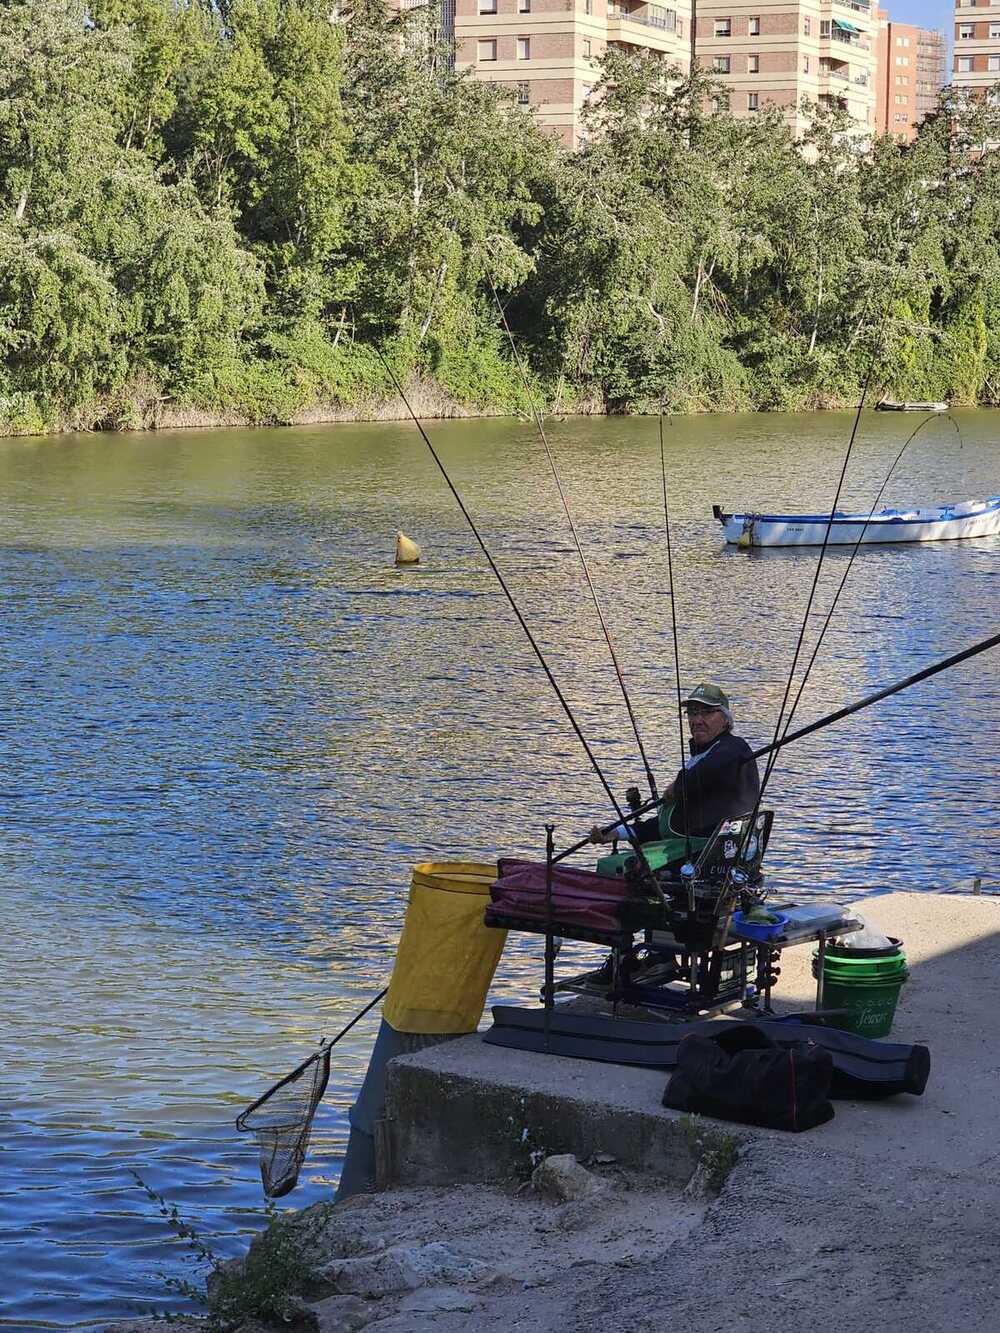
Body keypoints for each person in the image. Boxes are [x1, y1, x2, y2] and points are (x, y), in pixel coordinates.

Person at [590, 682, 760, 855]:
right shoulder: (702, 756)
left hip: (714, 856)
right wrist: (618, 833)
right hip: (687, 851)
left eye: (707, 712)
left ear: (725, 719)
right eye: (692, 713)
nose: (697, 720)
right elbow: (667, 824)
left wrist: (677, 787)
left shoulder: (735, 748)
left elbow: (712, 768)